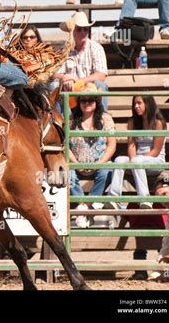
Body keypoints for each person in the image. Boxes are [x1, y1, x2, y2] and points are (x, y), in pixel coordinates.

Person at [68, 83, 116, 228]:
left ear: (97, 102)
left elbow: (112, 144)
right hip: (76, 162)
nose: (87, 103)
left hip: (100, 161)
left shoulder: (106, 118)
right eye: (83, 100)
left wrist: (100, 162)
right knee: (66, 174)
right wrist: (75, 162)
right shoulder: (71, 120)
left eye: (91, 100)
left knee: (106, 170)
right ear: (79, 102)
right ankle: (86, 208)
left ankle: (84, 207)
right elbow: (65, 145)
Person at [108, 96, 166, 209]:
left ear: (148, 104)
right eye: (134, 104)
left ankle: (145, 200)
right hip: (137, 161)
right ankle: (114, 199)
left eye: (139, 103)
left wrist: (135, 161)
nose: (136, 106)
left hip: (156, 161)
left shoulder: (158, 123)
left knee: (137, 160)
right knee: (119, 160)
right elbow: (131, 146)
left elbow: (156, 151)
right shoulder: (132, 122)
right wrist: (133, 160)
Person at [52, 11, 109, 111]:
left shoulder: (96, 48)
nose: (83, 32)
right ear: (72, 30)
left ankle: (101, 121)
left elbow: (102, 75)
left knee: (101, 85)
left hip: (89, 92)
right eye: (79, 29)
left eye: (85, 29)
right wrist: (65, 77)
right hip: (68, 94)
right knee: (54, 86)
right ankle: (60, 124)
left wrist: (78, 82)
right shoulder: (62, 50)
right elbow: (53, 74)